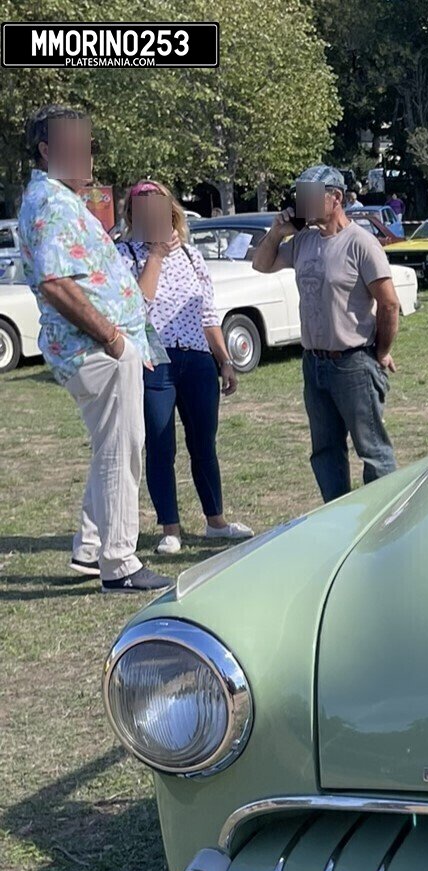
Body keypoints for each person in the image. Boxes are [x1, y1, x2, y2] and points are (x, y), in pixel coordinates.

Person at [16, 103, 172, 592]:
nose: (86, 155)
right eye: (74, 146)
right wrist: (113, 338)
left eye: (88, 146)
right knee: (122, 450)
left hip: (101, 347)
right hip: (95, 349)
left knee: (112, 445)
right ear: (46, 150)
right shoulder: (52, 203)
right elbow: (54, 283)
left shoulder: (60, 199)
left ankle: (89, 548)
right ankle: (119, 563)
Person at [250, 164, 402, 502]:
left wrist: (380, 352)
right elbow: (261, 264)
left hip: (353, 362)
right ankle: (338, 517)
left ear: (336, 198)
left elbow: (389, 304)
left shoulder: (360, 243)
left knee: (372, 449)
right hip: (314, 362)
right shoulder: (303, 240)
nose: (302, 203)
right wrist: (277, 232)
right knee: (325, 451)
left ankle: (385, 517)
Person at [116, 180, 253, 555]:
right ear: (132, 217)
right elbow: (134, 308)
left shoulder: (193, 257)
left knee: (204, 444)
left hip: (197, 360)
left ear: (171, 213)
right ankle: (170, 528)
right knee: (161, 446)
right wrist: (156, 256)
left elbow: (208, 315)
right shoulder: (124, 255)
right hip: (154, 362)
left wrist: (224, 360)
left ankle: (216, 522)